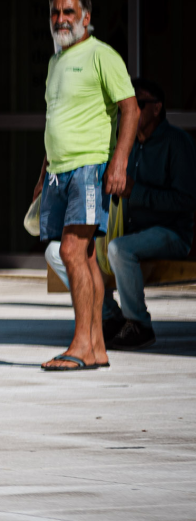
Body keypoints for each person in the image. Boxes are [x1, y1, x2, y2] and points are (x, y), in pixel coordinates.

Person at [45, 78, 196, 351]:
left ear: (156, 108)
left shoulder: (178, 143)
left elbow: (186, 201)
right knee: (59, 251)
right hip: (126, 232)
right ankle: (109, 317)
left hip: (171, 233)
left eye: (138, 103)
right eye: (126, 105)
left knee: (119, 249)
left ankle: (139, 325)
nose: (131, 110)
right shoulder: (126, 144)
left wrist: (134, 192)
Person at [32, 0, 138, 371]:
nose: (61, 18)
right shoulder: (56, 62)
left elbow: (130, 109)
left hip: (89, 168)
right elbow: (55, 119)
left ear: (86, 18)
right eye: (55, 12)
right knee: (87, 256)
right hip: (60, 172)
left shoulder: (102, 56)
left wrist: (119, 162)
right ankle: (96, 347)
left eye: (69, 11)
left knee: (71, 252)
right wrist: (44, 172)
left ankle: (80, 344)